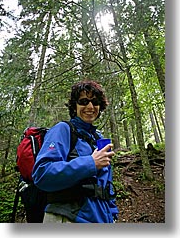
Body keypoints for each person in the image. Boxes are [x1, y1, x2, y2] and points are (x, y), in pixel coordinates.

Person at [32, 80, 119, 223]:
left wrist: (113, 214)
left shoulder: (98, 138)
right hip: (67, 217)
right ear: (75, 106)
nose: (90, 106)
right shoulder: (63, 129)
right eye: (84, 101)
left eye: (95, 102)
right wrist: (91, 163)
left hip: (100, 219)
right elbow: (42, 173)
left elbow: (105, 185)